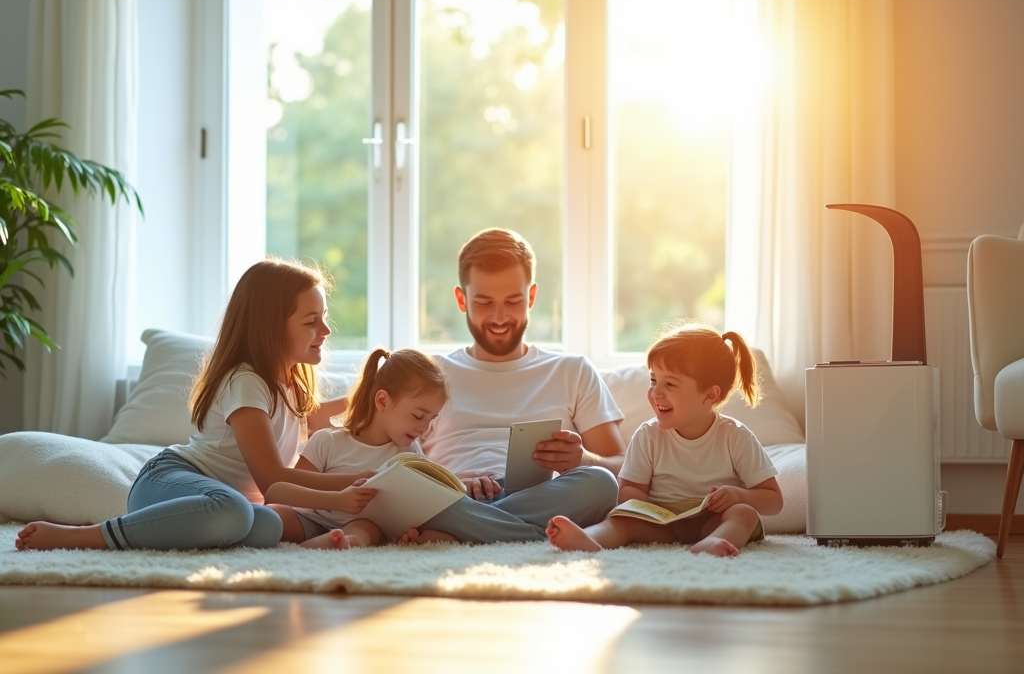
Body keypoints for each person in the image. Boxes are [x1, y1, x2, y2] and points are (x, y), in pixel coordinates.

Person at [15, 258, 369, 552]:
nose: (325, 329)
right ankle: (85, 536)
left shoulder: (289, 386)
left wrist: (382, 398)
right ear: (270, 327)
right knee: (236, 512)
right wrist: (351, 486)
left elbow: (334, 416)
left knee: (266, 524)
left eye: (323, 317)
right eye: (311, 321)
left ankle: (188, 531)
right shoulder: (246, 382)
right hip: (171, 481)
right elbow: (273, 480)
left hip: (224, 502)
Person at [402, 228, 626, 544]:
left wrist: (583, 459)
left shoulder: (571, 370)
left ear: (531, 296)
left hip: (543, 496)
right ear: (461, 299)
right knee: (408, 494)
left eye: (513, 300)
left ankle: (460, 533)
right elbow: (391, 463)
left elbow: (621, 467)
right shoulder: (430, 373)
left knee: (600, 483)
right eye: (483, 302)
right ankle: (529, 535)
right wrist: (449, 480)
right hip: (456, 495)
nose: (499, 317)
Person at [546, 321, 783, 557]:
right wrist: (644, 506)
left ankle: (714, 542)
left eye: (669, 383)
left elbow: (774, 501)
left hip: (714, 521)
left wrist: (739, 495)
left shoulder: (736, 436)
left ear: (710, 394)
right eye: (653, 380)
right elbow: (628, 489)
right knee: (622, 518)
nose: (655, 392)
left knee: (744, 514)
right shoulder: (648, 435)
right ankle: (588, 538)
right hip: (663, 525)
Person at [264, 348, 449, 549]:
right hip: (309, 518)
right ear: (382, 401)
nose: (424, 428)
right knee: (270, 517)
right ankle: (329, 542)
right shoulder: (328, 441)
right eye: (418, 416)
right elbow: (277, 492)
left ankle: (342, 543)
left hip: (359, 526)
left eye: (431, 419)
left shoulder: (410, 454)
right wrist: (338, 501)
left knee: (366, 528)